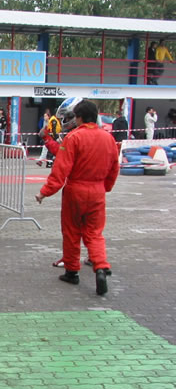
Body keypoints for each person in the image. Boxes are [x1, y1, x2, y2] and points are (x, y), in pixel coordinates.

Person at [35, 99, 119, 296]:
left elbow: (60, 170)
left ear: (79, 117)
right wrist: (105, 187)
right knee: (94, 233)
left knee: (72, 231)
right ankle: (100, 266)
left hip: (76, 191)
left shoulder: (74, 138)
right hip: (97, 191)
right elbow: (114, 168)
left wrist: (44, 192)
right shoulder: (108, 139)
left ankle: (72, 271)